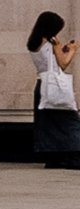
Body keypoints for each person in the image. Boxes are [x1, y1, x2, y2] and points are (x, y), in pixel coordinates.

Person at [31, 12, 80, 168]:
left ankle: (54, 157)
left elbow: (49, 62)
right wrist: (72, 49)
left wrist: (60, 49)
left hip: (42, 86)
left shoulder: (34, 43)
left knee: (48, 124)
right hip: (55, 88)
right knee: (70, 121)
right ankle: (74, 155)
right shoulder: (51, 45)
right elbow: (63, 64)